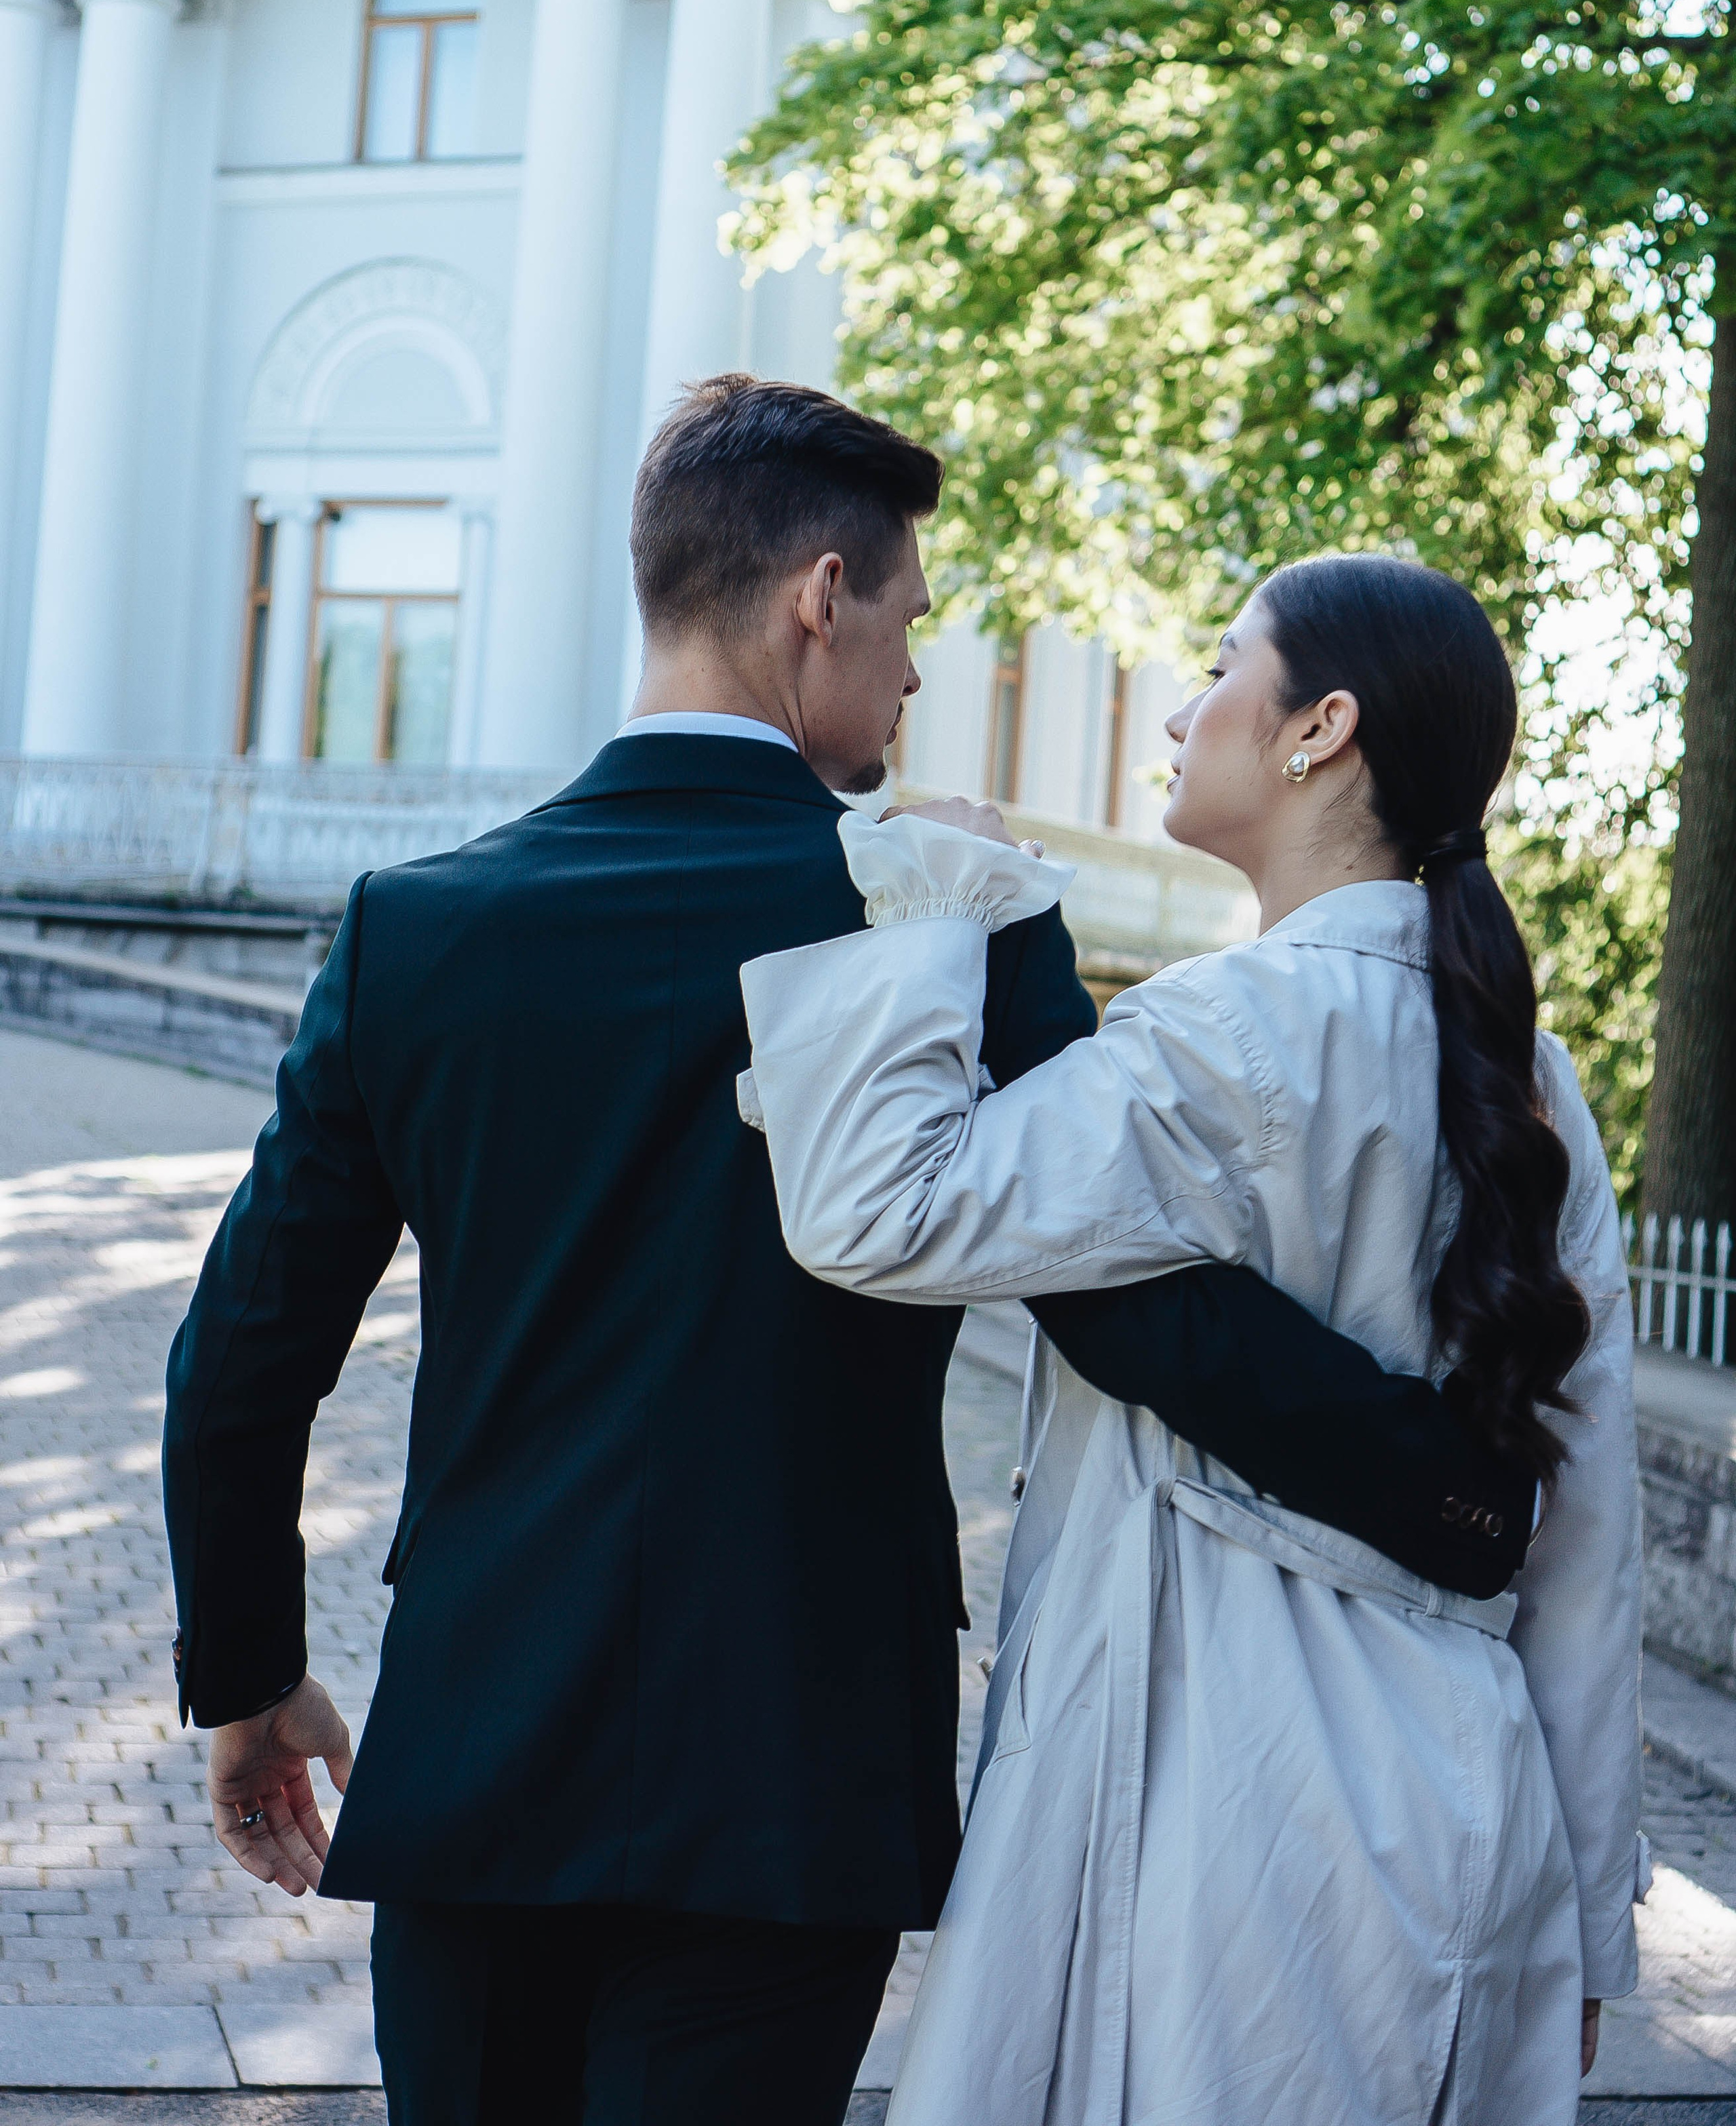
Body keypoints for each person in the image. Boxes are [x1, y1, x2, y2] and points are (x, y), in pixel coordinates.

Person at [164, 388, 1537, 2126]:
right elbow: (1124, 1310)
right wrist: (1456, 1494)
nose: (908, 682)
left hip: (482, 1749)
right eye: (904, 626)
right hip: (796, 1771)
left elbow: (240, 1359)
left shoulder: (416, 928)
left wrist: (248, 1672)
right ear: (819, 596)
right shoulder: (958, 922)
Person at [741, 551, 1646, 2126]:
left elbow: (875, 1209)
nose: (1179, 707)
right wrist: (1581, 1919)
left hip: (1224, 1794)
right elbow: (1588, 1541)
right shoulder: (1532, 1082)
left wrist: (937, 898)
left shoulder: (1215, 1039)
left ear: (1319, 730)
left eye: (1222, 666)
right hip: (1462, 1801)